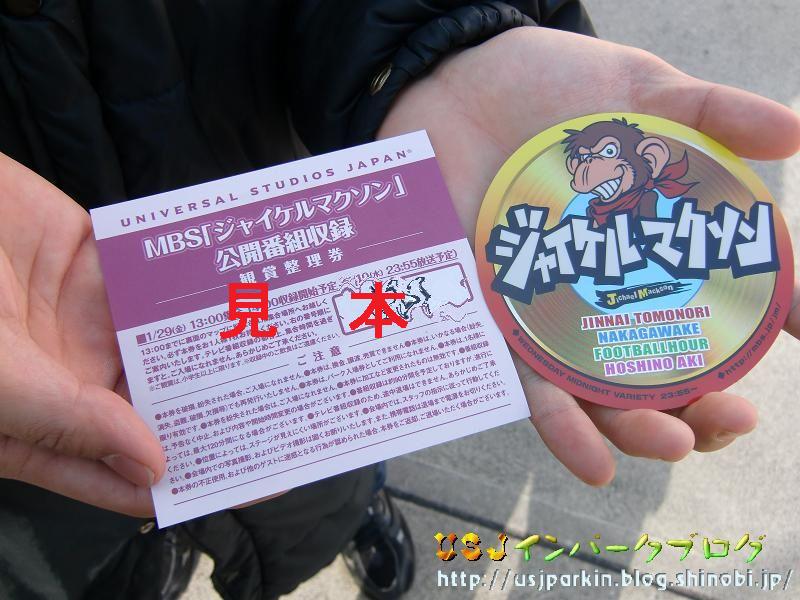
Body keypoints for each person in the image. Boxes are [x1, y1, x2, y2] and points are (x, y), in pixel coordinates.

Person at [0, 1, 798, 599]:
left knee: (335, 444)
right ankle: (156, 557)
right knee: (102, 522)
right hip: (40, 413)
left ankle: (344, 518)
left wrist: (435, 34)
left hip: (300, 221)